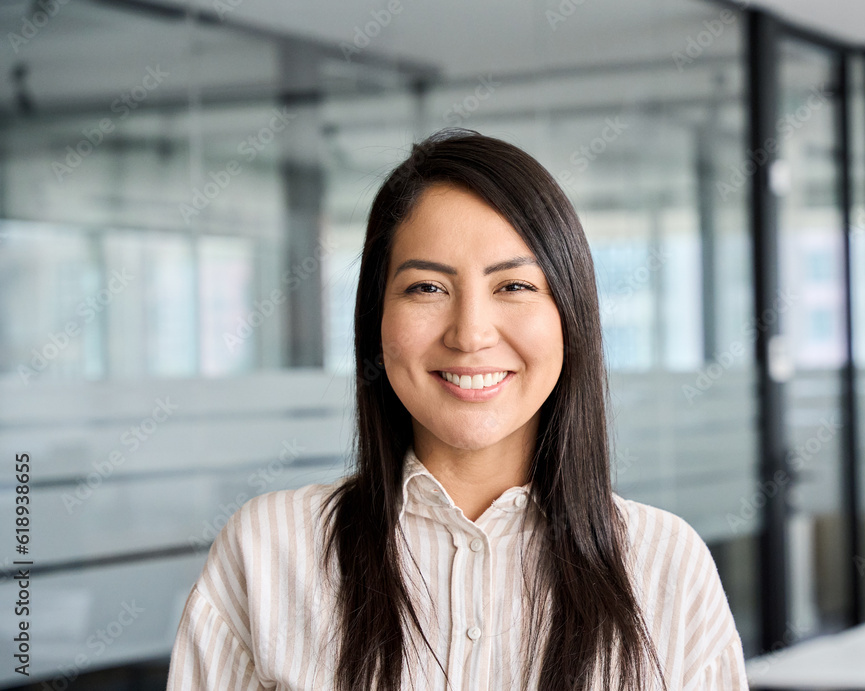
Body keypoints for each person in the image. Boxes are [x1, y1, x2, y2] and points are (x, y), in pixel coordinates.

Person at [166, 129, 750, 691]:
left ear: (571, 316)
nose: (470, 334)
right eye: (427, 288)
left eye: (514, 287)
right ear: (376, 323)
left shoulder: (665, 564)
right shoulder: (269, 550)